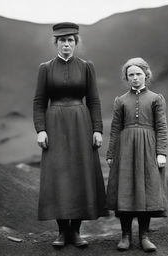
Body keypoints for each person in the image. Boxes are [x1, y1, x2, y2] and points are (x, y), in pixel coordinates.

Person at [33, 22, 108, 248]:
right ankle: (61, 231)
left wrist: (97, 129)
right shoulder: (45, 68)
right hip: (54, 124)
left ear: (76, 43)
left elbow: (94, 101)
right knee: (58, 176)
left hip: (80, 124)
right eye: (62, 40)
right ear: (56, 43)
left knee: (79, 176)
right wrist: (41, 130)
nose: (67, 44)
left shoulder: (86, 67)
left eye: (71, 40)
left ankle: (75, 232)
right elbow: (39, 102)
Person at [106, 57, 168, 252]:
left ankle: (144, 236)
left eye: (138, 74)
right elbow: (115, 129)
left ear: (146, 75)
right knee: (124, 190)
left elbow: (162, 127)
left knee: (146, 190)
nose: (134, 78)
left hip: (148, 148)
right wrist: (110, 154)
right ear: (126, 77)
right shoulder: (121, 100)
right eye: (130, 74)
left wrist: (161, 152)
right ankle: (125, 236)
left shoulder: (156, 99)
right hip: (125, 150)